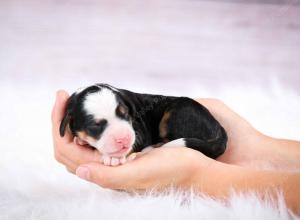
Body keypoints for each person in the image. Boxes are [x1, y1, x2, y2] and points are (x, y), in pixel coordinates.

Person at [51, 90, 300, 214]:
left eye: (124, 116)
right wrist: (257, 150)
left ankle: (188, 142)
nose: (123, 134)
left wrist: (193, 175)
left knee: (174, 115)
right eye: (98, 126)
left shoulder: (129, 112)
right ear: (72, 125)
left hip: (187, 115)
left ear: (125, 106)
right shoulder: (77, 119)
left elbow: (139, 138)